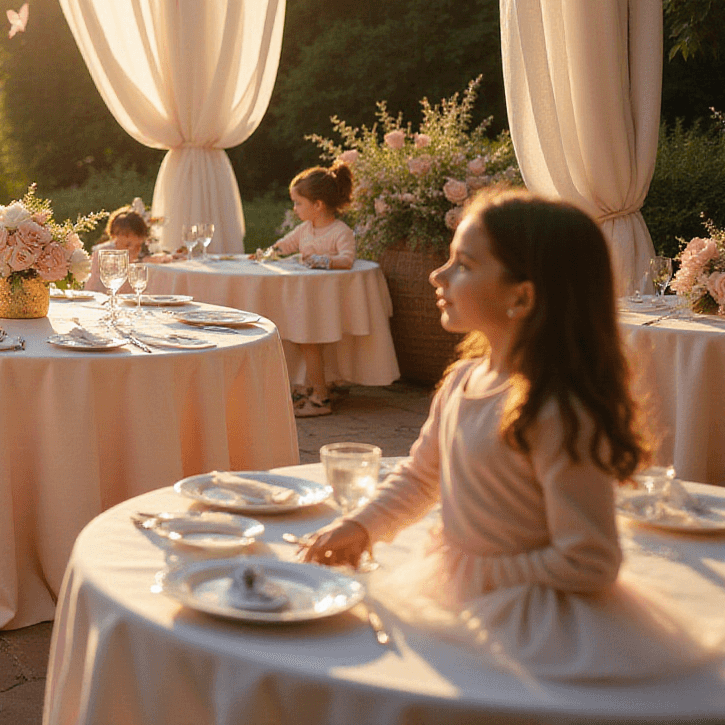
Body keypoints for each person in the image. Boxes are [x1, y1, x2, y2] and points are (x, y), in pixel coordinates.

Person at [302, 190, 720, 680]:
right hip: (460, 588)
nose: (438, 275)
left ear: (521, 296)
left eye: (463, 264)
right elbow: (420, 477)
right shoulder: (463, 379)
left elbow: (590, 560)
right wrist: (361, 526)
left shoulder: (556, 410)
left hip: (534, 618)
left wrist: (479, 572)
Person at [272, 162, 359, 416]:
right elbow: (284, 245)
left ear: (318, 205)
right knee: (304, 341)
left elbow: (347, 259)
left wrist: (321, 260)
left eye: (298, 203)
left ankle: (321, 398)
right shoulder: (305, 230)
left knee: (310, 343)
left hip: (325, 302)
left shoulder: (340, 232)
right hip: (305, 298)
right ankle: (314, 387)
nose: (295, 208)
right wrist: (269, 252)